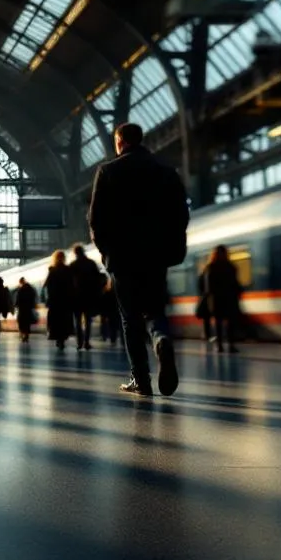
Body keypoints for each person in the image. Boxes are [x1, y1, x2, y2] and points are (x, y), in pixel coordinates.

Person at [88, 122, 189, 397]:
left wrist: (105, 251)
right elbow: (181, 214)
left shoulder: (108, 171)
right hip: (156, 256)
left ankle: (141, 380)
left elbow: (95, 221)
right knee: (155, 310)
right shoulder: (166, 172)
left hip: (122, 259)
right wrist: (171, 247)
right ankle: (162, 339)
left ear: (119, 142)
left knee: (130, 318)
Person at [200, 245, 243, 353]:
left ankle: (219, 346)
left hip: (216, 300)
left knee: (218, 323)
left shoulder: (210, 267)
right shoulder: (231, 267)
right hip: (230, 298)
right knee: (230, 323)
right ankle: (231, 345)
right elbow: (236, 283)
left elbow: (208, 287)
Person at [68, 246, 104, 351]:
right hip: (89, 297)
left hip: (76, 298)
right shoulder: (91, 263)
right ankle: (87, 342)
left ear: (75, 253)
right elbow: (98, 280)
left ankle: (79, 343)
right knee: (88, 321)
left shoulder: (73, 265)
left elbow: (69, 283)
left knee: (78, 321)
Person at [43, 251, 73, 350]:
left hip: (54, 300)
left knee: (56, 321)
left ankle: (58, 339)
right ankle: (62, 339)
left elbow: (47, 286)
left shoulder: (52, 270)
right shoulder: (68, 270)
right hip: (65, 300)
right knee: (64, 320)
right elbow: (71, 285)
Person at [15, 278, 38, 342]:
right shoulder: (30, 289)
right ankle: (26, 335)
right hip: (28, 308)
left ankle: (23, 335)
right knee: (27, 323)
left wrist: (16, 305)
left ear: (21, 282)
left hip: (22, 309)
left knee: (21, 322)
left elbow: (18, 299)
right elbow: (33, 297)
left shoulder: (21, 289)